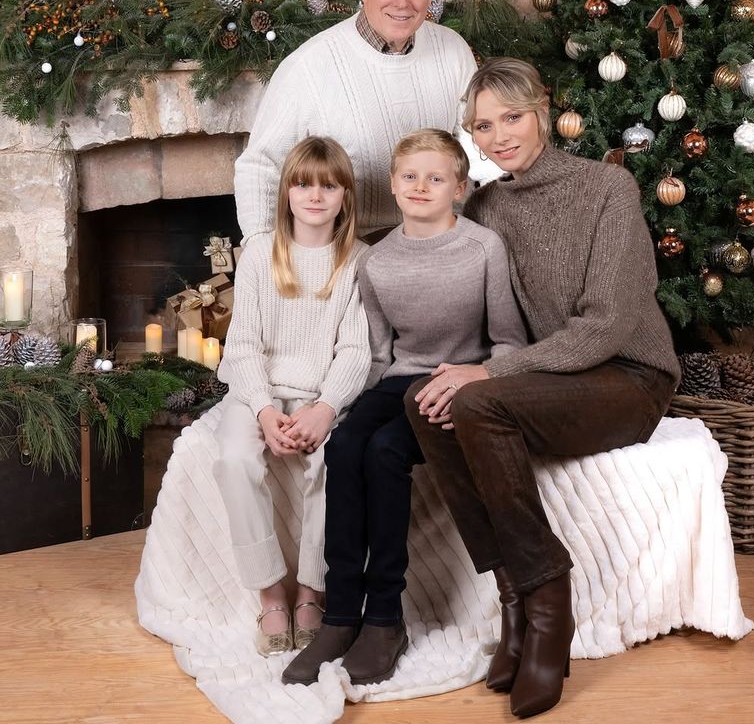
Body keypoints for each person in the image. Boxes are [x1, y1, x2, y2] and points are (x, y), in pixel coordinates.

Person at [405, 59, 681, 719]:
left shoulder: (607, 187)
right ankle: (512, 597)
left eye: (511, 117)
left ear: (541, 110)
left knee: (476, 397)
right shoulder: (487, 205)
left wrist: (493, 371)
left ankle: (546, 595)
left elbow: (606, 327)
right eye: (482, 126)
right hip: (549, 377)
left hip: (626, 376)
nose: (499, 136)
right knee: (425, 400)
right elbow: (462, 296)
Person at [283, 128, 526, 687]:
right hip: (397, 381)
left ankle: (385, 619)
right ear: (392, 185)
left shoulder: (482, 248)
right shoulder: (377, 261)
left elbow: (509, 340)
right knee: (347, 445)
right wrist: (336, 406)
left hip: (458, 382)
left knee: (387, 452)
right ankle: (341, 615)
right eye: (410, 176)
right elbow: (376, 354)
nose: (421, 186)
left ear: (459, 188)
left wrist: (476, 381)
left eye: (435, 178)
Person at [213, 136, 371, 657]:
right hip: (255, 393)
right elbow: (243, 345)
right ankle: (270, 593)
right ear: (286, 193)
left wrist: (325, 409)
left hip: (323, 396)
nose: (315, 196)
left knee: (337, 460)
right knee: (235, 457)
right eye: (303, 184)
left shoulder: (358, 261)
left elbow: (354, 349)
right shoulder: (260, 253)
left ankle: (310, 591)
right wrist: (261, 410)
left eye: (329, 185)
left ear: (346, 195)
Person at [233, 0, 496, 244]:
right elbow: (261, 164)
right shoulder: (308, 65)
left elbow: (477, 148)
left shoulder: (453, 50)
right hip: (350, 251)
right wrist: (260, 251)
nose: (402, 2)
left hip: (439, 238)